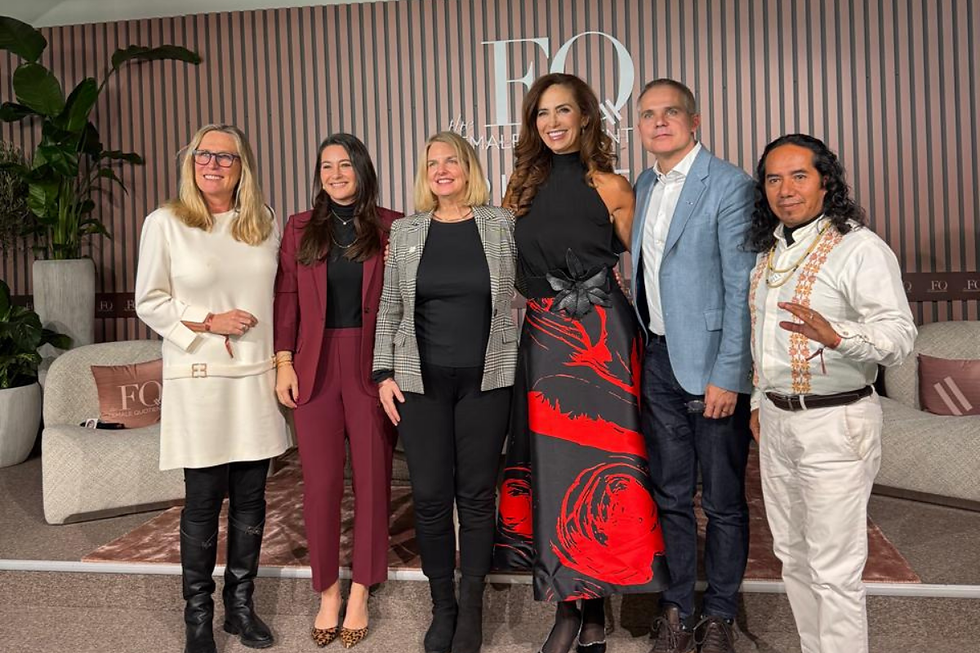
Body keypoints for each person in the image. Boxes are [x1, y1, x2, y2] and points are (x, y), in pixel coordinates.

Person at [494, 72, 669, 653]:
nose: (553, 123)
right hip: (544, 335)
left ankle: (605, 603)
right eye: (542, 114)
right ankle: (573, 607)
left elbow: (649, 273)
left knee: (612, 459)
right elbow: (502, 268)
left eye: (563, 111)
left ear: (587, 117)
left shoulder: (613, 186)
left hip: (605, 336)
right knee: (555, 466)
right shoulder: (517, 188)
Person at [746, 133, 916, 653]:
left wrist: (839, 337)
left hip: (837, 423)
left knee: (834, 569)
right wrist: (758, 402)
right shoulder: (772, 250)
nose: (786, 190)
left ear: (826, 182)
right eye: (774, 179)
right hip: (778, 423)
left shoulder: (858, 247)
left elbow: (900, 338)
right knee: (793, 557)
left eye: (800, 176)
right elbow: (763, 339)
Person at [135, 124, 290, 653]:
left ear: (242, 166)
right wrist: (207, 320)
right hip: (199, 379)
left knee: (252, 498)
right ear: (191, 162)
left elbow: (281, 299)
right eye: (204, 154)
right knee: (202, 502)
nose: (213, 164)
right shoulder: (166, 223)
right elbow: (148, 300)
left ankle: (239, 608)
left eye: (226, 156)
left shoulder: (265, 224)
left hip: (255, 378)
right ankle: (197, 617)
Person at [372, 131, 518, 653]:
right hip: (420, 383)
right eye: (431, 162)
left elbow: (522, 294)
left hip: (487, 382)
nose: (441, 169)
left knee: (476, 499)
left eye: (450, 160)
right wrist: (382, 374)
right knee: (431, 499)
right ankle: (443, 607)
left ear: (468, 167)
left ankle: (472, 607)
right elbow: (390, 307)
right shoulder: (406, 233)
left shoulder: (501, 224)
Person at [629, 78, 757, 653]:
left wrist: (728, 374)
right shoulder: (644, 184)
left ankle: (721, 614)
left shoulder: (729, 186)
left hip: (710, 367)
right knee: (672, 494)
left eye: (671, 113)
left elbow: (741, 289)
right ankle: (678, 607)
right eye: (648, 115)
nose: (659, 123)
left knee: (724, 500)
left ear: (695, 120)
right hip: (656, 358)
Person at [273, 133, 401, 649]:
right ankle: (327, 589)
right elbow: (286, 296)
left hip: (374, 368)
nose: (334, 174)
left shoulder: (394, 226)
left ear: (362, 169)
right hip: (314, 364)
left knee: (372, 481)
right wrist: (283, 361)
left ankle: (361, 591)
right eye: (326, 166)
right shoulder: (299, 227)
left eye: (344, 164)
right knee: (320, 483)